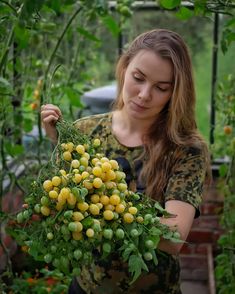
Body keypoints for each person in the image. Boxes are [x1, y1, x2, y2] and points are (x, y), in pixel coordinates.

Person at [41, 29, 211, 294]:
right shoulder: (84, 131)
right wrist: (60, 148)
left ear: (176, 92)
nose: (144, 94)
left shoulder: (186, 149)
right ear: (123, 69)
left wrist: (104, 199)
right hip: (87, 287)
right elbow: (62, 208)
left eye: (161, 88)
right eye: (138, 78)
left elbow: (173, 237)